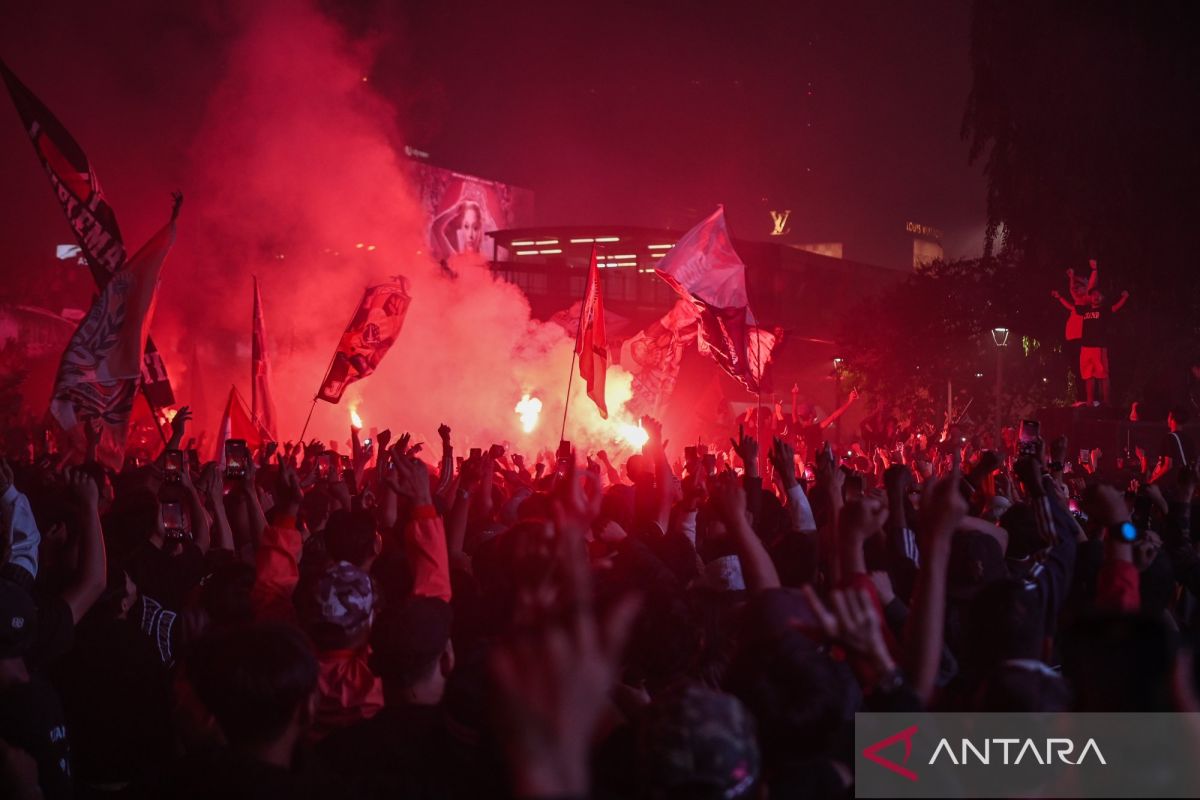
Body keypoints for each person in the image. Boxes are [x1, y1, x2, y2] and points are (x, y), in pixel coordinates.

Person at [1051, 284, 1130, 406]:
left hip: (1099, 346)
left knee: (1103, 375)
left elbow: (1115, 307)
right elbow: (1072, 306)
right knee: (1088, 375)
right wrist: (1060, 297)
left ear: (1103, 298)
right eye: (1093, 295)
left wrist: (1124, 298)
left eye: (1099, 295)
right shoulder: (1085, 310)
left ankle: (1106, 403)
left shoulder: (1104, 310)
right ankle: (1089, 402)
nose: (1096, 297)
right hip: (1085, 347)